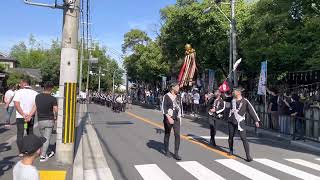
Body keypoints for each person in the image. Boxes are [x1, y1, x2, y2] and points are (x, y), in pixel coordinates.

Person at [228, 87, 260, 162]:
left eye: (234, 91)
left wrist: (256, 120)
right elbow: (224, 97)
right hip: (231, 121)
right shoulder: (232, 100)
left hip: (240, 121)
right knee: (230, 137)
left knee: (244, 138)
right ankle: (231, 150)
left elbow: (251, 110)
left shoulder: (245, 101)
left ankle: (248, 156)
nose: (233, 92)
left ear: (239, 92)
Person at [29, 82, 57, 162]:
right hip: (49, 120)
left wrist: (30, 115)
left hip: (40, 121)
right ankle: (43, 156)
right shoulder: (53, 98)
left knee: (44, 138)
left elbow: (35, 107)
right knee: (46, 139)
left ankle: (48, 151)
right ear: (51, 89)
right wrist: (56, 117)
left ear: (44, 88)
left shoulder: (37, 97)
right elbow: (55, 109)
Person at [13, 79, 38, 156]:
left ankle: (21, 152)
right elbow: (36, 105)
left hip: (20, 117)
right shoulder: (35, 93)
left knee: (20, 133)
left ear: (24, 84)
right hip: (31, 117)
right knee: (30, 133)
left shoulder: (18, 92)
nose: (19, 85)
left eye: (20, 84)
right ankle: (30, 150)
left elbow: (16, 104)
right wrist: (30, 115)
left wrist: (23, 114)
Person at [162, 83, 182, 160]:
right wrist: (168, 118)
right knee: (167, 134)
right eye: (177, 86)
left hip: (176, 118)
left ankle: (176, 153)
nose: (179, 88)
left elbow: (180, 108)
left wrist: (180, 117)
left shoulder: (179, 96)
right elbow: (164, 108)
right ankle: (166, 151)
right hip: (168, 117)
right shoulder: (166, 96)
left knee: (177, 135)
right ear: (173, 87)